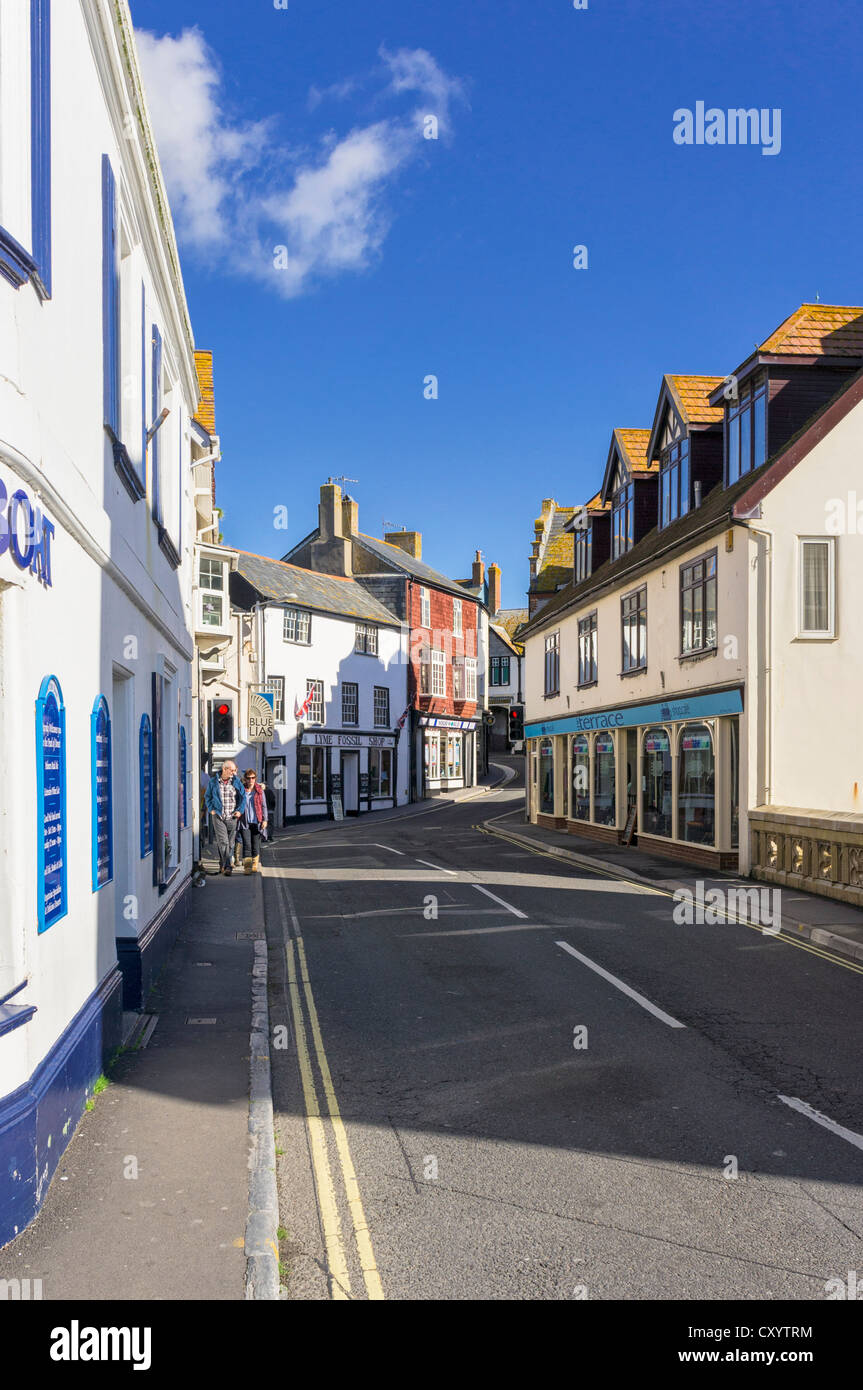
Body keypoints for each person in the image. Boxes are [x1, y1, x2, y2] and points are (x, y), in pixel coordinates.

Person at [205, 760, 244, 875]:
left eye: (234, 770)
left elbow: (243, 798)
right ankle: (228, 866)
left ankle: (222, 863)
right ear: (224, 769)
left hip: (232, 817)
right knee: (224, 841)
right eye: (232, 770)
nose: (234, 772)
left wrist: (239, 811)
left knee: (230, 844)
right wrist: (211, 809)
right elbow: (208, 796)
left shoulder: (236, 782)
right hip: (219, 816)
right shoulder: (213, 782)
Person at [239, 767, 268, 873]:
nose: (251, 780)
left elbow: (264, 806)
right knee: (247, 844)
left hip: (257, 821)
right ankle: (247, 867)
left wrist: (265, 820)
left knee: (255, 845)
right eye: (248, 778)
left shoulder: (259, 791)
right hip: (244, 821)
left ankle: (255, 864)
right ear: (245, 779)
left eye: (253, 778)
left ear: (255, 779)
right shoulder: (241, 790)